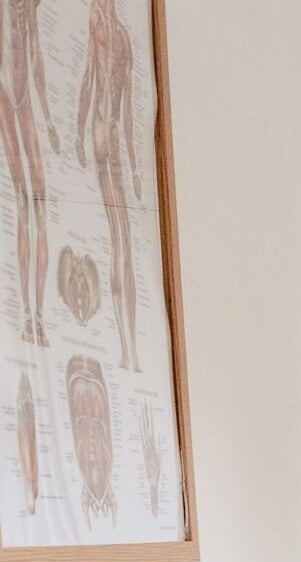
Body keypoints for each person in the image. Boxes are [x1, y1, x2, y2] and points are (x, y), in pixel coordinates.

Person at [75, 0, 141, 372]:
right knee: (122, 244)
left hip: (106, 135)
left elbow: (94, 84)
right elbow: (94, 85)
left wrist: (133, 163)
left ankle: (128, 348)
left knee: (124, 244)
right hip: (108, 136)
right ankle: (127, 348)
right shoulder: (112, 31)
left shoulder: (108, 31)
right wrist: (77, 133)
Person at [0, 0, 57, 347]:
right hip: (7, 103)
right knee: (24, 203)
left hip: (24, 108)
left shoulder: (30, 10)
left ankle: (38, 317)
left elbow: (35, 61)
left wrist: (49, 119)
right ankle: (26, 316)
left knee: (40, 206)